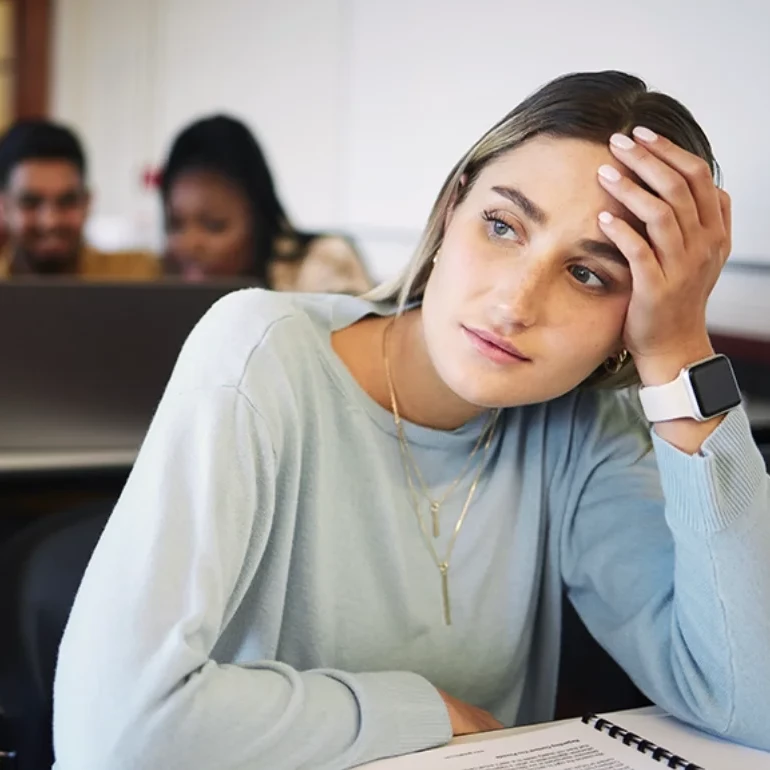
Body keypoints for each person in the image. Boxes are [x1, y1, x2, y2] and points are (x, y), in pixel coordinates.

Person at [53, 71, 770, 770]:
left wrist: (678, 350)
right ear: (452, 206)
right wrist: (425, 713)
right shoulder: (257, 351)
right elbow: (114, 737)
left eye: (589, 275)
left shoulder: (582, 427)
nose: (514, 303)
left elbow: (751, 702)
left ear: (629, 321)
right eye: (502, 225)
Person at [160, 114, 372, 293]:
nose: (189, 244)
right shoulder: (162, 282)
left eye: (214, 225)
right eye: (175, 225)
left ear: (258, 218)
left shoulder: (324, 262)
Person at [0, 119, 160, 279]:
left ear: (88, 203)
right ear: (4, 206)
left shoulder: (136, 275)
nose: (50, 222)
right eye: (30, 203)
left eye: (67, 202)